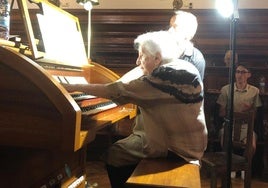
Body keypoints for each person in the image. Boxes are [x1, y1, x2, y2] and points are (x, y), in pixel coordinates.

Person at [63, 31, 207, 188]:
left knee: (113, 154)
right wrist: (141, 67)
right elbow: (127, 81)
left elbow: (117, 90)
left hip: (177, 150)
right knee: (125, 145)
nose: (137, 61)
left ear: (158, 58)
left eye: (141, 56)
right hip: (185, 144)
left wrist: (71, 87)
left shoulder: (166, 76)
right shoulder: (180, 66)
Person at [119, 10, 206, 83]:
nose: (169, 30)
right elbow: (141, 69)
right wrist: (116, 85)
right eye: (170, 25)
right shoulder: (161, 49)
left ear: (189, 34)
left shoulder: (197, 59)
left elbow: (193, 91)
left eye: (175, 27)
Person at [216, 63, 262, 178]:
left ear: (249, 75)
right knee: (224, 139)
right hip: (229, 123)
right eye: (237, 72)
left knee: (251, 144)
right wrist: (236, 113)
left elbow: (255, 115)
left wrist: (250, 110)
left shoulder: (254, 91)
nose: (239, 75)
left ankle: (244, 168)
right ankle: (230, 167)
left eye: (243, 72)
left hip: (246, 125)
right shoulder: (226, 89)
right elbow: (221, 112)